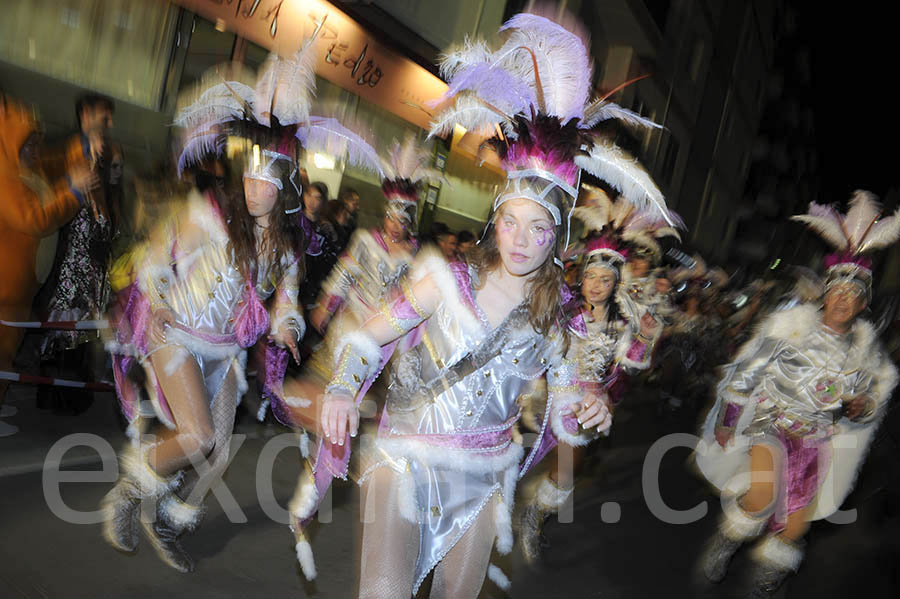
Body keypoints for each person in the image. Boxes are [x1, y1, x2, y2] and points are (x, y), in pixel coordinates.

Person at [283, 11, 675, 595]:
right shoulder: (446, 278)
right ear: (497, 221)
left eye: (537, 228)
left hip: (485, 475)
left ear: (557, 237)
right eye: (511, 222)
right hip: (406, 457)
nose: (520, 239)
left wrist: (590, 410)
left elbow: (565, 410)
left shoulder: (561, 319)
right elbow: (370, 337)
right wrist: (341, 387)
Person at [695, 191, 900, 596]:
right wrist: (728, 419)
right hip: (772, 422)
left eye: (853, 294)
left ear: (862, 304)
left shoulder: (865, 349)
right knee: (761, 495)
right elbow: (747, 372)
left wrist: (862, 406)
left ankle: (763, 582)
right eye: (838, 291)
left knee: (794, 527)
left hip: (818, 438)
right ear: (826, 294)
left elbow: (870, 397)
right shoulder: (789, 327)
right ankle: (725, 543)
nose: (843, 299)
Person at [518, 233, 662, 563]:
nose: (596, 285)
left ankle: (534, 517)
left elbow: (626, 368)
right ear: (582, 277)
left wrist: (644, 337)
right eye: (592, 277)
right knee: (520, 459)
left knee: (566, 472)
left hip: (585, 408)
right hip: (545, 395)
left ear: (615, 284)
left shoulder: (620, 324)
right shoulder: (561, 309)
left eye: (606, 279)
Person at [0, 94, 97, 436]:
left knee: (8, 346)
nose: (36, 149)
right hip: (5, 284)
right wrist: (73, 191)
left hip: (22, 285)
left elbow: (58, 177)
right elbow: (36, 219)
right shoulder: (6, 176)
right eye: (29, 144)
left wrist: (82, 147)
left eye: (38, 142)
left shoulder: (29, 168)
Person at [37, 94, 119, 414]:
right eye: (104, 117)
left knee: (80, 335)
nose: (109, 125)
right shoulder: (66, 150)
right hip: (68, 261)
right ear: (86, 115)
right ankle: (55, 397)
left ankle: (69, 398)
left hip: (90, 267)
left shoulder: (100, 153)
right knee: (62, 331)